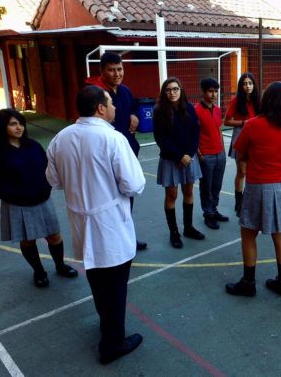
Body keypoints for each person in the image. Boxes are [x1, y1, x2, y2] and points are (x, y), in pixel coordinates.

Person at [46, 85, 146, 364]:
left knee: (98, 281)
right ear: (101, 108)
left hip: (81, 222)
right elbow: (134, 185)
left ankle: (107, 326)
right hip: (110, 224)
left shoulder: (60, 139)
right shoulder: (112, 139)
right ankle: (112, 343)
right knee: (116, 285)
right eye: (110, 103)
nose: (114, 107)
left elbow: (53, 180)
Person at [0, 109, 78, 288]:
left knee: (54, 236)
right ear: (2, 127)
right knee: (28, 240)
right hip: (18, 205)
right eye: (13, 124)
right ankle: (39, 271)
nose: (19, 127)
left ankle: (60, 265)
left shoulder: (33, 145)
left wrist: (47, 186)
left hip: (42, 200)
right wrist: (15, 195)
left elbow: (48, 167)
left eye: (20, 123)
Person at [225, 82, 281, 297]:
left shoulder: (253, 125)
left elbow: (241, 154)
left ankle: (248, 282)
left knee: (248, 233)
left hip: (259, 185)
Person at [85, 52, 147, 250]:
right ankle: (112, 242)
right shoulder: (95, 94)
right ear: (102, 71)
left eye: (119, 69)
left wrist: (135, 115)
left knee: (127, 197)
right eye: (111, 70)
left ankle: (127, 237)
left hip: (127, 152)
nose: (117, 73)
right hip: (106, 157)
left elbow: (134, 106)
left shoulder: (125, 91)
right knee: (109, 201)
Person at [153, 77, 204, 249]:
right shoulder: (159, 111)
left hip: (189, 158)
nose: (172, 92)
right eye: (168, 90)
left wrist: (189, 154)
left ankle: (188, 228)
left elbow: (195, 133)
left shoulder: (189, 108)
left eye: (175, 89)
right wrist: (179, 156)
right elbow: (161, 139)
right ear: (164, 92)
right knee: (172, 196)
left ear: (181, 90)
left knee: (188, 192)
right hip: (171, 159)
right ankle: (174, 233)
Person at [195, 78, 228, 230]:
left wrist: (222, 150)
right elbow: (193, 134)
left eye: (216, 91)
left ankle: (213, 209)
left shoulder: (218, 109)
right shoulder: (196, 111)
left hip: (219, 154)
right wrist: (198, 152)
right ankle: (208, 214)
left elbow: (219, 130)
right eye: (211, 91)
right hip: (206, 155)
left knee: (216, 186)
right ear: (203, 92)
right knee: (206, 187)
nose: (214, 94)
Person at [225, 73, 260, 216]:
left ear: (254, 85)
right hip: (240, 135)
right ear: (241, 86)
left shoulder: (258, 100)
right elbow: (227, 121)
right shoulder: (236, 101)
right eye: (245, 84)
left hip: (256, 136)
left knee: (254, 171)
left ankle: (249, 200)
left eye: (250, 83)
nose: (248, 86)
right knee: (242, 171)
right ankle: (238, 202)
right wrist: (243, 123)